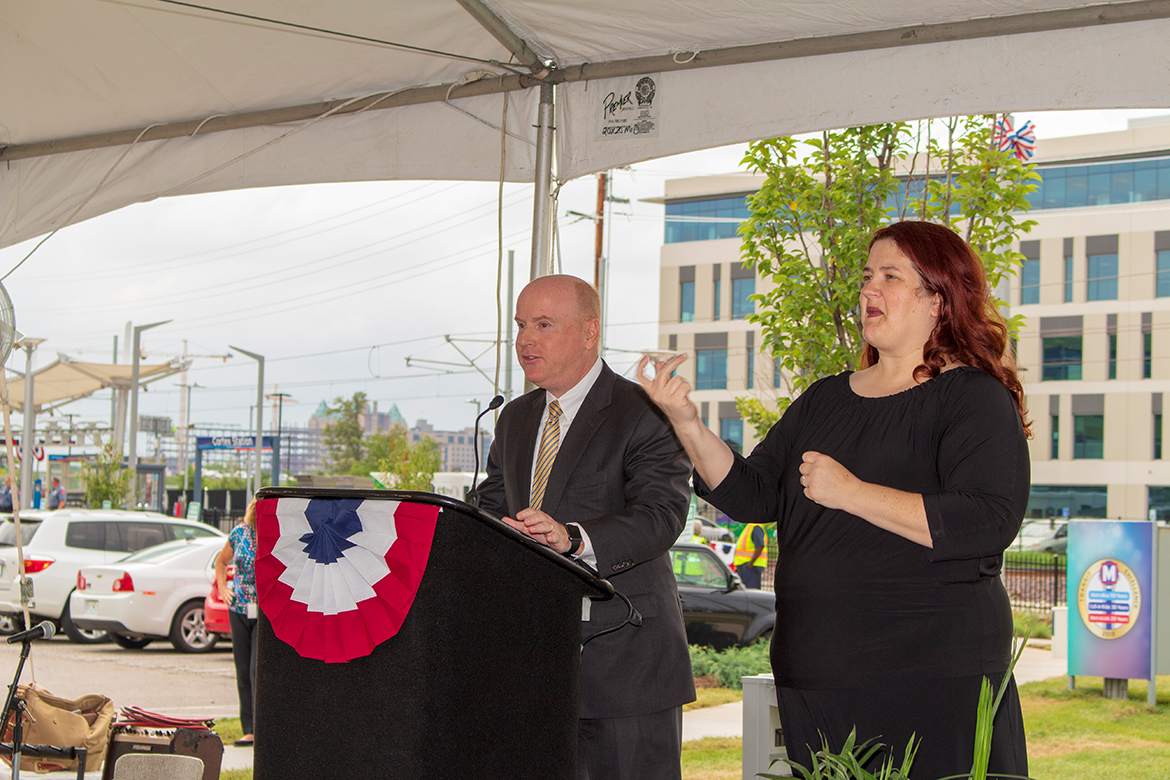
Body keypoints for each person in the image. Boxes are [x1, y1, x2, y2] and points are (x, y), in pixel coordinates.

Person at [638, 221, 1031, 780]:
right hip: (819, 676)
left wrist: (853, 493)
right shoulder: (825, 398)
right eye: (867, 276)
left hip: (930, 679)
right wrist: (687, 422)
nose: (868, 290)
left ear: (940, 299)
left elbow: (987, 520)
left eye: (890, 277)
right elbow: (754, 493)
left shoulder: (973, 398)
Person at [474, 274, 694, 780]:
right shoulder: (514, 418)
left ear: (589, 331)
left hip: (625, 667)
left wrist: (573, 537)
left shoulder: (644, 410)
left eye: (544, 324)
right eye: (520, 325)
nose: (525, 340)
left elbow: (662, 514)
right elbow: (489, 508)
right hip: (531, 665)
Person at [215, 500, 259, 748]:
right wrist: (223, 588)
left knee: (256, 671)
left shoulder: (276, 536)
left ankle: (263, 725)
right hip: (239, 608)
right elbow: (221, 562)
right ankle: (249, 729)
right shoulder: (239, 533)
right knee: (243, 671)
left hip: (263, 612)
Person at [732, 522, 767, 589]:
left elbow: (760, 546)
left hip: (751, 567)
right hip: (746, 566)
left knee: (752, 593)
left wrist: (750, 564)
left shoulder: (755, 527)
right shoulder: (749, 527)